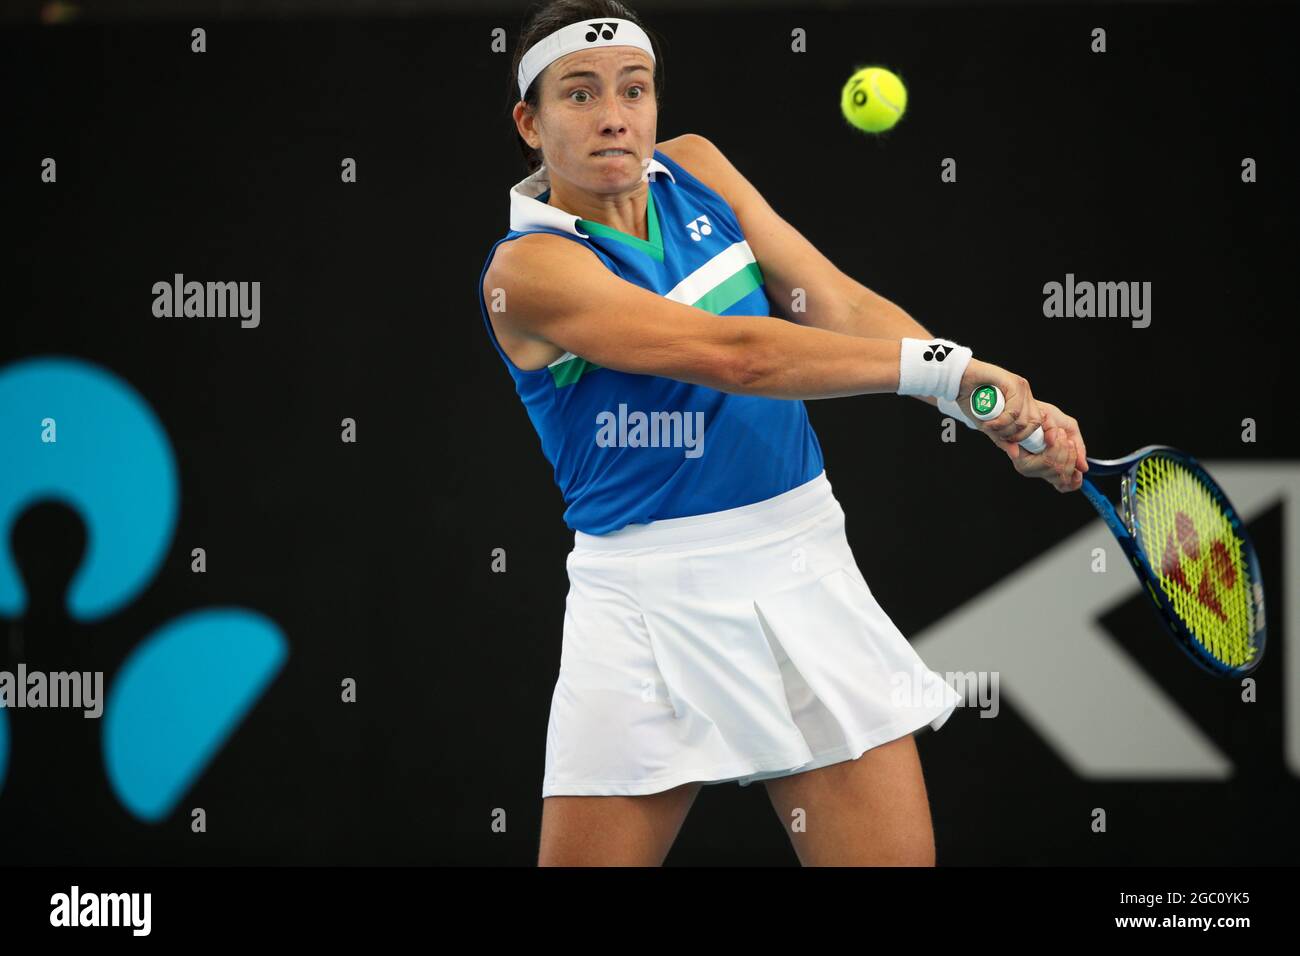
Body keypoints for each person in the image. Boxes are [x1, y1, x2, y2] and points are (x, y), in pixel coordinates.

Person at [477, 0, 1088, 866]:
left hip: (801, 557)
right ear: (529, 124)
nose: (615, 115)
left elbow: (829, 303)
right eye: (579, 95)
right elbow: (741, 357)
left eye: (635, 89)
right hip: (645, 597)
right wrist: (950, 371)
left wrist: (979, 405)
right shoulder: (529, 269)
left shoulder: (696, 169)